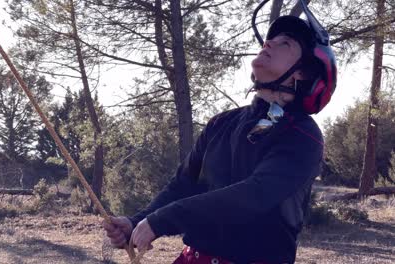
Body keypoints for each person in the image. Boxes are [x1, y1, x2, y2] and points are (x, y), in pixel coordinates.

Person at [102, 0, 337, 263]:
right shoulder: (221, 123)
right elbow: (183, 185)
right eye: (270, 39)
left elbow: (254, 195)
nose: (268, 43)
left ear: (303, 75)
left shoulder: (303, 136)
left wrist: (162, 220)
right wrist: (136, 222)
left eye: (285, 43)